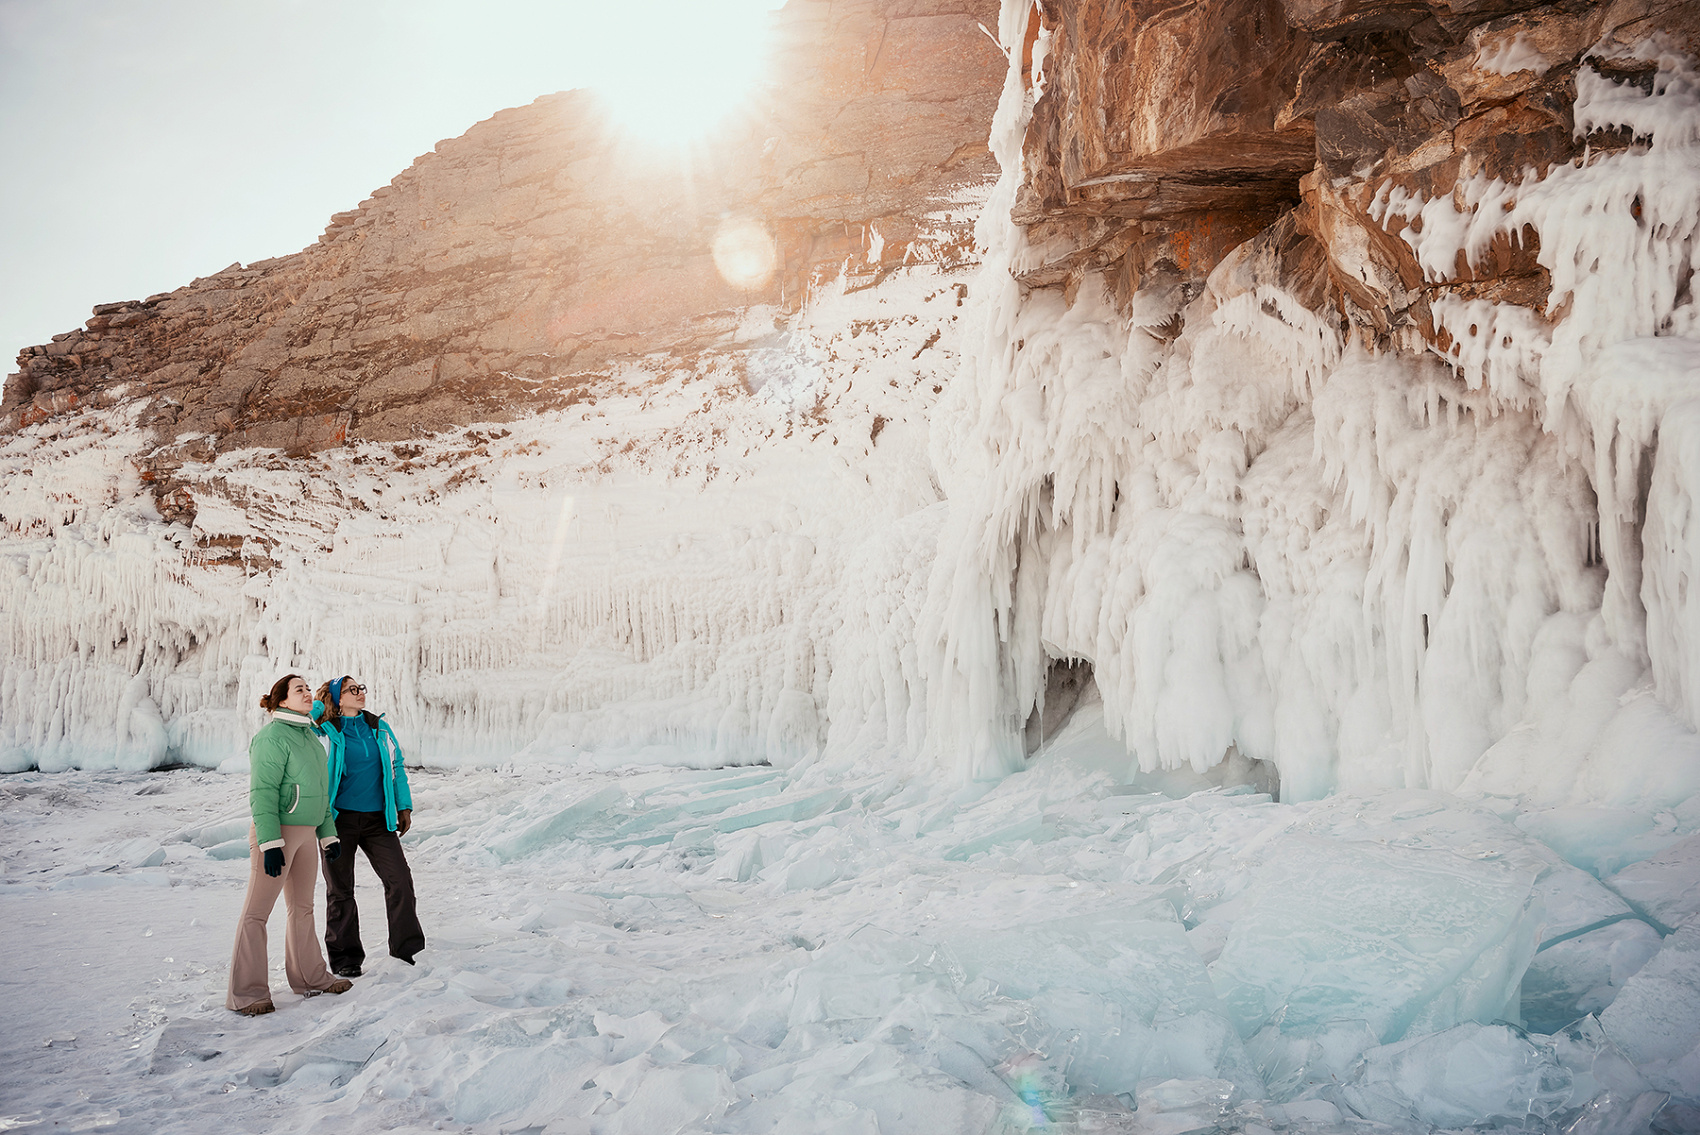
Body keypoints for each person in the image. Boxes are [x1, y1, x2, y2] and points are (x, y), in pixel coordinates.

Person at [227, 674, 353, 1016]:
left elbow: (322, 795)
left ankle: (311, 978)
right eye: (299, 689)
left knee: (303, 909)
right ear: (282, 700)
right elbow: (263, 793)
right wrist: (269, 843)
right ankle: (247, 993)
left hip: (307, 835)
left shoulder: (311, 738)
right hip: (278, 834)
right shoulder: (271, 737)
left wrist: (328, 835)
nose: (308, 692)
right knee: (256, 914)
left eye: (308, 688)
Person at [314, 675, 425, 976]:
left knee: (400, 879)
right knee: (340, 890)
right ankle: (346, 960)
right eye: (352, 690)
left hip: (378, 820)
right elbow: (308, 719)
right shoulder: (326, 731)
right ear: (338, 698)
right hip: (338, 821)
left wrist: (404, 805)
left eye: (361, 688)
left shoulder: (378, 727)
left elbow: (396, 765)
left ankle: (407, 951)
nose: (360, 693)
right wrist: (321, 704)